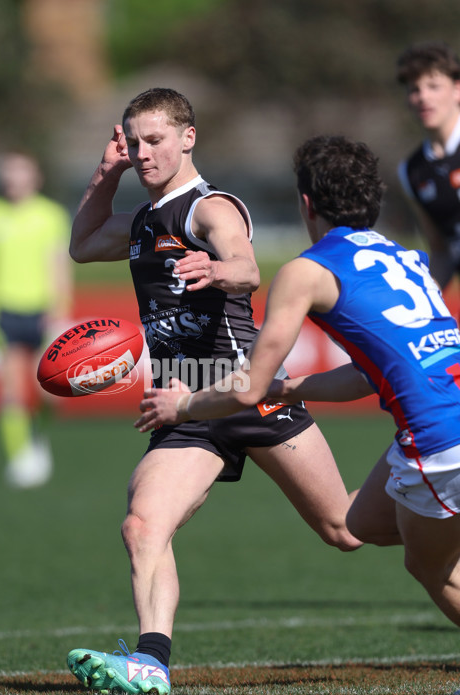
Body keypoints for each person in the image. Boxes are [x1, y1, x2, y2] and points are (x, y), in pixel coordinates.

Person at [66, 89, 362, 695]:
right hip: (184, 401)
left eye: (155, 140)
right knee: (143, 524)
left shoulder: (210, 207)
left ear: (187, 138)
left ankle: (441, 523)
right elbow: (82, 242)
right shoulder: (145, 222)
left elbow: (248, 267)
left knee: (345, 528)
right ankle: (151, 662)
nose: (144, 152)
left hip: (245, 389)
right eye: (134, 141)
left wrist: (217, 270)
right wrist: (105, 173)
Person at [136, 134, 460, 632]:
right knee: (357, 524)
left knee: (428, 565)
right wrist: (288, 390)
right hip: (437, 429)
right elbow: (366, 376)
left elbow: (245, 389)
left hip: (439, 443)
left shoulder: (306, 271)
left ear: (306, 204)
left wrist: (182, 406)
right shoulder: (408, 259)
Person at [0, 151, 73, 488]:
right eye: (8, 173)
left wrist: (61, 305)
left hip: (42, 310)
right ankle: (20, 458)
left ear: (35, 177)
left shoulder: (50, 215)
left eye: (21, 173)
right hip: (1, 309)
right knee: (9, 386)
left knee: (50, 388)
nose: (14, 180)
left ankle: (39, 436)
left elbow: (58, 263)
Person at [396, 41, 460, 291]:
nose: (423, 97)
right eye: (415, 89)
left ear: (457, 90)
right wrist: (427, 299)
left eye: (433, 86)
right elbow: (441, 251)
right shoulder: (412, 171)